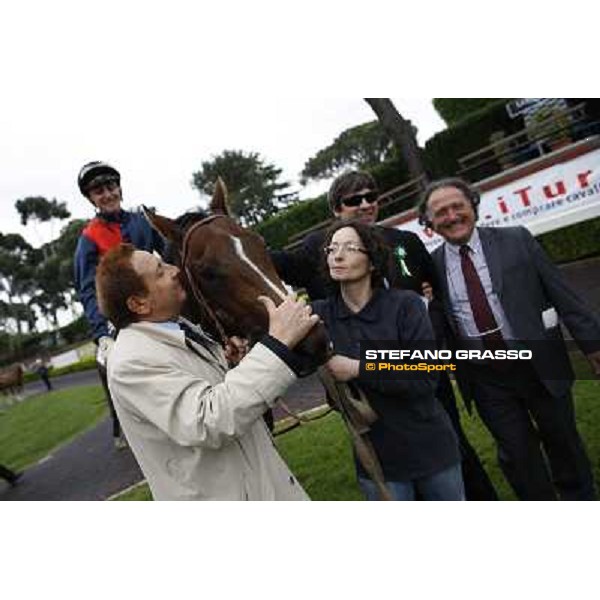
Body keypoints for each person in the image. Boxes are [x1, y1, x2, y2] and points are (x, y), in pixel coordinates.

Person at [272, 170, 496, 500]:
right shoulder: (321, 306)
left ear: (374, 260)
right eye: (353, 200)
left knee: (459, 462)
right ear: (335, 209)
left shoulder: (405, 279)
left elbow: (429, 353)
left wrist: (361, 366)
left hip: (427, 413)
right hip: (376, 442)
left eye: (371, 196)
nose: (365, 204)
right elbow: (287, 350)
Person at [419, 177, 600, 500]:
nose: (451, 216)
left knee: (564, 443)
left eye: (457, 206)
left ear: (473, 206)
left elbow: (563, 295)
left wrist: (592, 344)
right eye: (440, 212)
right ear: (430, 224)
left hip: (540, 363)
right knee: (517, 455)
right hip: (486, 379)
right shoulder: (429, 267)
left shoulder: (516, 239)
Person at [95, 243, 319, 501]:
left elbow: (212, 396)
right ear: (139, 304)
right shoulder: (132, 362)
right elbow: (210, 419)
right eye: (160, 271)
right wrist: (277, 345)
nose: (175, 270)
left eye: (165, 265)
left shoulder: (176, 329)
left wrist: (234, 367)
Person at [313, 221, 464, 501]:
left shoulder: (405, 305)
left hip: (431, 450)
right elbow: (288, 357)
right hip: (376, 461)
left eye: (349, 248)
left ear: (372, 261)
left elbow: (425, 375)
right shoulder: (318, 316)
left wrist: (358, 367)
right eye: (332, 248)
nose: (337, 255)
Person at [74, 161, 164, 449]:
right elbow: (87, 289)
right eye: (99, 191)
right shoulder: (88, 239)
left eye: (110, 187)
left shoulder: (142, 221)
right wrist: (101, 332)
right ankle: (124, 422)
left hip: (158, 302)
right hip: (120, 317)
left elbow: (169, 256)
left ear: (119, 188)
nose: (107, 194)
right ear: (92, 199)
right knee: (115, 367)